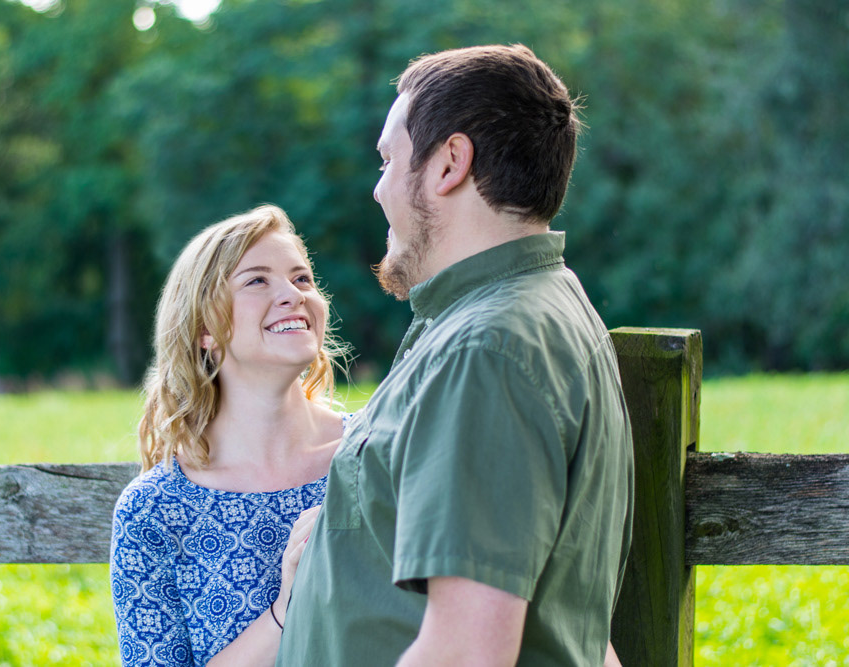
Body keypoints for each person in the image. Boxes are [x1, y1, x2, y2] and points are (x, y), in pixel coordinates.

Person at [276, 44, 634, 666]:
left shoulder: (486, 350)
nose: (378, 189)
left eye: (389, 160)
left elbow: (466, 653)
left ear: (450, 164)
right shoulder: (527, 310)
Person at [109, 205, 347, 666]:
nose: (293, 295)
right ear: (204, 329)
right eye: (257, 281)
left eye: (302, 278)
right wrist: (287, 609)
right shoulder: (154, 510)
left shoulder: (379, 453)